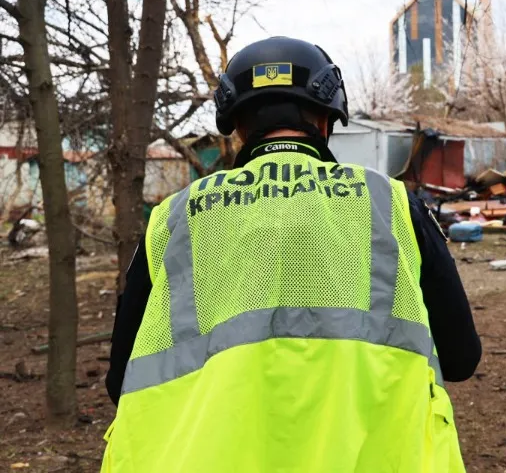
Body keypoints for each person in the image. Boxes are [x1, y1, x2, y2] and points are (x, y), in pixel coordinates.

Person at [102, 37, 481, 472]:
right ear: (325, 120)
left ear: (238, 127)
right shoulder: (392, 205)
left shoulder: (176, 218)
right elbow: (460, 357)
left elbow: (121, 382)